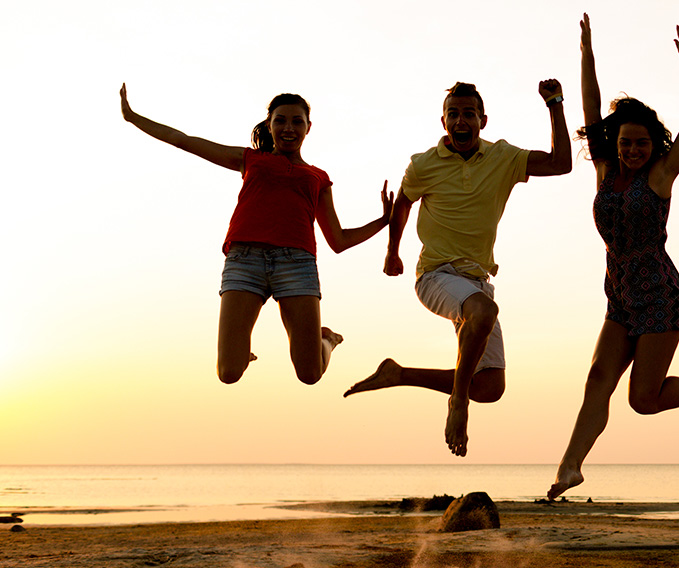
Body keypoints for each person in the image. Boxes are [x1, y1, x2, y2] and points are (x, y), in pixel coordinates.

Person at [546, 14, 679, 500]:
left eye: (641, 142)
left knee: (643, 400)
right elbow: (591, 107)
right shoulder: (603, 168)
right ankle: (569, 466)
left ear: (653, 145)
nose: (633, 149)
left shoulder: (660, 176)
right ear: (615, 143)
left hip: (659, 295)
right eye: (626, 142)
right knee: (597, 378)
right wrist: (586, 52)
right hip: (619, 294)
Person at [342, 80, 572, 457]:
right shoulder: (423, 165)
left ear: (482, 119)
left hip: (476, 281)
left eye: (469, 114)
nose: (461, 120)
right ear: (444, 120)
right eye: (454, 114)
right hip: (435, 274)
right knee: (483, 313)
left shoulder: (503, 157)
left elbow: (561, 163)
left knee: (490, 387)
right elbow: (403, 203)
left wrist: (555, 105)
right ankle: (457, 406)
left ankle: (398, 374)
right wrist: (392, 252)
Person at [119, 85, 391, 385]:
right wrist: (133, 117)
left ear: (308, 127)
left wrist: (383, 221)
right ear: (270, 124)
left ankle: (326, 340)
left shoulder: (318, 178)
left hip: (296, 265)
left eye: (297, 121)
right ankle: (240, 352)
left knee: (310, 374)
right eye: (280, 120)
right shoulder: (250, 159)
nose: (288, 128)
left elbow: (338, 241)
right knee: (229, 373)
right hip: (245, 261)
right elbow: (183, 141)